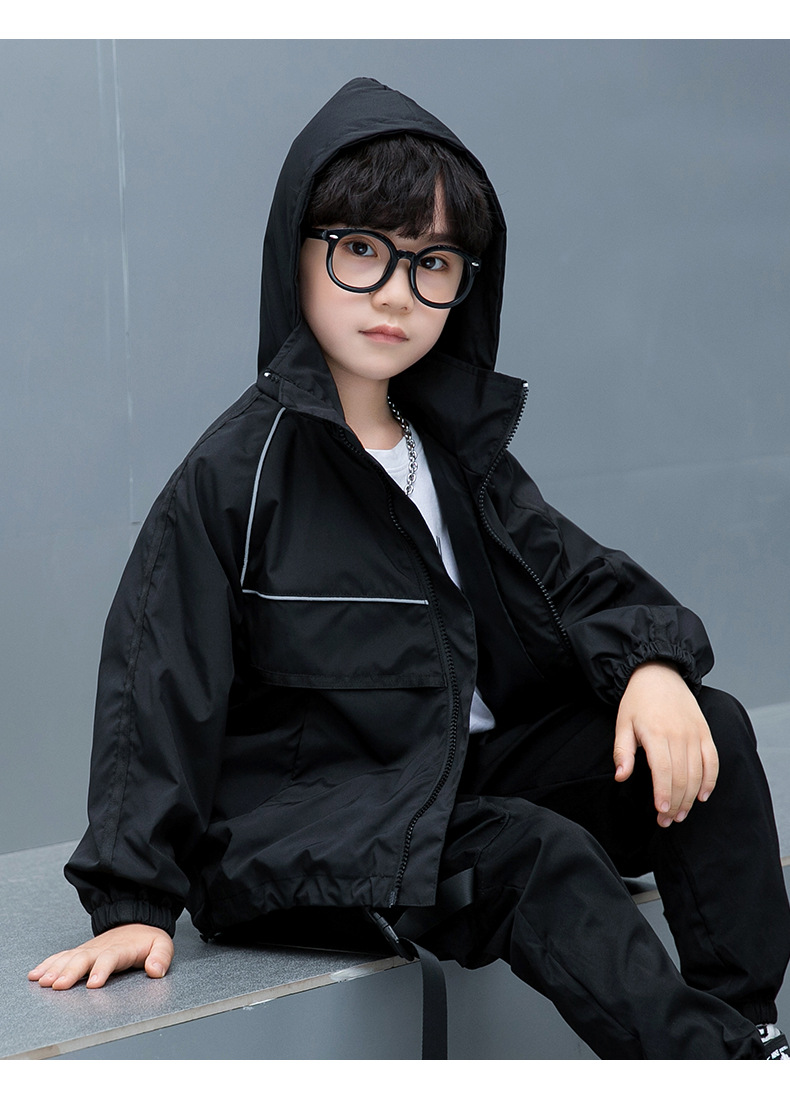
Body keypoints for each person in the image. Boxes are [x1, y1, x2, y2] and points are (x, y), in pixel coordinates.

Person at [29, 77, 790, 1060]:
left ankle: (749, 1026)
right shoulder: (236, 474)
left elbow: (578, 577)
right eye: (361, 250)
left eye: (431, 262)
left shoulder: (453, 451)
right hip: (309, 825)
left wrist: (649, 663)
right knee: (531, 852)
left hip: (458, 780)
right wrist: (131, 900)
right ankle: (708, 1068)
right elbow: (156, 676)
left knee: (711, 726)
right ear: (297, 253)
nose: (395, 292)